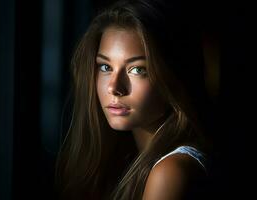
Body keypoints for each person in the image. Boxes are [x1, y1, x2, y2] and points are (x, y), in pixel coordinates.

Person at [56, 0, 214, 199]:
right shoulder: (126, 158)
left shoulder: (170, 172)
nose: (114, 87)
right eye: (105, 67)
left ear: (173, 76)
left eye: (137, 69)